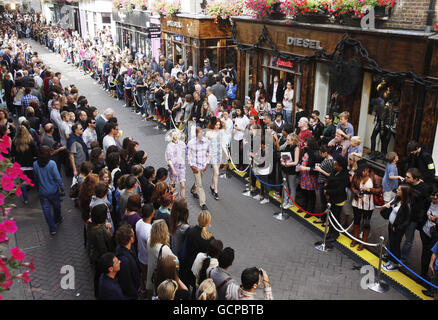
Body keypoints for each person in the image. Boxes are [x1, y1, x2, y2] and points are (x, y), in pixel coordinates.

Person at [179, 210, 214, 294]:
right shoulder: (209, 238)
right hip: (199, 268)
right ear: (208, 222)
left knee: (186, 284)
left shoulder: (190, 231)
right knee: (196, 288)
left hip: (187, 263)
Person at [33, 146, 65, 236]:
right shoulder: (52, 164)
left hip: (42, 191)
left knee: (46, 211)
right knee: (57, 206)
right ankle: (58, 219)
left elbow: (36, 178)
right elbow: (57, 177)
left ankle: (52, 228)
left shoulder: (35, 164)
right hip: (53, 191)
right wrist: (62, 187)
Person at [401, 168, 431, 263]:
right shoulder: (406, 183)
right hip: (403, 214)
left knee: (408, 239)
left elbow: (427, 203)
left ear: (415, 179)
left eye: (408, 177)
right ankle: (393, 253)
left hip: (413, 218)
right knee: (397, 234)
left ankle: (403, 258)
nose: (406, 178)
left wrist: (420, 218)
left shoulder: (424, 188)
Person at [382, 185, 412, 272]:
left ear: (404, 193)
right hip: (391, 226)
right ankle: (390, 261)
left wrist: (397, 227)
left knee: (395, 245)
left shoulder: (407, 205)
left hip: (397, 229)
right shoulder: (397, 199)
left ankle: (394, 263)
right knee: (391, 243)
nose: (397, 190)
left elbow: (406, 221)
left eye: (399, 190)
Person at [146, 219, 179, 296]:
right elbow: (176, 261)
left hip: (151, 272)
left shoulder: (149, 241)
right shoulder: (163, 249)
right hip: (160, 274)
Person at [88, 203, 113, 297]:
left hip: (95, 253)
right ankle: (98, 293)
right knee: (99, 275)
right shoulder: (98, 232)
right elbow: (102, 248)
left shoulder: (90, 223)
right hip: (99, 257)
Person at [324, 156, 350, 246]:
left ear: (341, 166)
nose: (334, 165)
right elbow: (330, 179)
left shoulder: (345, 176)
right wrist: (326, 188)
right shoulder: (335, 171)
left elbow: (340, 189)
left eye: (336, 164)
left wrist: (327, 191)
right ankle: (330, 231)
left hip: (339, 199)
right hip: (331, 197)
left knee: (336, 216)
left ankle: (335, 233)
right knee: (331, 216)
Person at [350, 161, 375, 251]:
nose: (362, 173)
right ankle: (355, 238)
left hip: (368, 205)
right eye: (361, 171)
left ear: (367, 170)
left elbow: (380, 190)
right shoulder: (356, 176)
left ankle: (363, 242)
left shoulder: (374, 177)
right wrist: (356, 192)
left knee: (366, 224)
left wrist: (370, 189)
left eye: (364, 171)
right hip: (357, 202)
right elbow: (352, 186)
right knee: (356, 221)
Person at [11, 125, 38, 205]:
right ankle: (40, 192)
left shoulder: (15, 141)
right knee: (35, 180)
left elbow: (12, 153)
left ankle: (25, 199)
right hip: (30, 164)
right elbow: (35, 152)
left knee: (22, 183)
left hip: (20, 166)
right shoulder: (30, 141)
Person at [115, 224, 141, 300]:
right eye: (133, 235)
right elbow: (127, 282)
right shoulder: (124, 261)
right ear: (131, 239)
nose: (134, 236)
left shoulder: (125, 248)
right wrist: (134, 293)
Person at [187, 127, 211, 210]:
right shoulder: (191, 143)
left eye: (202, 132)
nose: (201, 134)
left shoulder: (207, 141)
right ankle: (202, 203)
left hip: (203, 166)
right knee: (200, 185)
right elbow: (188, 155)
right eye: (199, 132)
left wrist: (207, 163)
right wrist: (191, 165)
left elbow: (209, 152)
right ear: (196, 133)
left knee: (198, 181)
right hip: (195, 166)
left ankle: (193, 190)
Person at [135, 203, 155, 299]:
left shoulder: (138, 222)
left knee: (143, 276)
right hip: (148, 260)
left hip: (140, 255)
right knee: (149, 279)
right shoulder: (150, 231)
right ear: (151, 214)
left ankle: (143, 290)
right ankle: (147, 294)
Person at [206, 117, 228, 201]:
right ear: (213, 124)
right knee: (217, 173)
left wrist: (226, 153)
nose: (218, 126)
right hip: (212, 154)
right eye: (216, 124)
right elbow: (206, 144)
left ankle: (212, 186)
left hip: (219, 154)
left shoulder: (221, 133)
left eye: (219, 125)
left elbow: (222, 143)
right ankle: (216, 191)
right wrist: (207, 152)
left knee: (215, 173)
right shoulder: (208, 133)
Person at [166, 130, 186, 199]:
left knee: (183, 185)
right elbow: (169, 159)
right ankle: (170, 198)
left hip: (181, 167)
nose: (176, 136)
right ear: (172, 136)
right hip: (173, 168)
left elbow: (185, 153)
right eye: (174, 135)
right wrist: (173, 170)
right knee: (172, 184)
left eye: (177, 134)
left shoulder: (182, 143)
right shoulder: (169, 146)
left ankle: (182, 200)